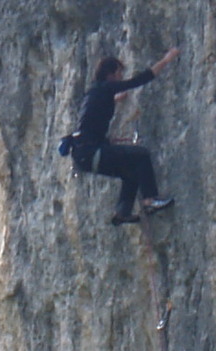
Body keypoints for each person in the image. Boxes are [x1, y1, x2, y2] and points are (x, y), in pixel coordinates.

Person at [65, 47, 180, 224]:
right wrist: (166, 60)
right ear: (110, 74)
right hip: (90, 152)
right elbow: (138, 80)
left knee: (132, 172)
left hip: (84, 156)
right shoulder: (106, 87)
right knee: (141, 155)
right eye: (119, 72)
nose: (121, 76)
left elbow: (93, 117)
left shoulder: (94, 93)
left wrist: (115, 101)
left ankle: (122, 213)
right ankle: (150, 200)